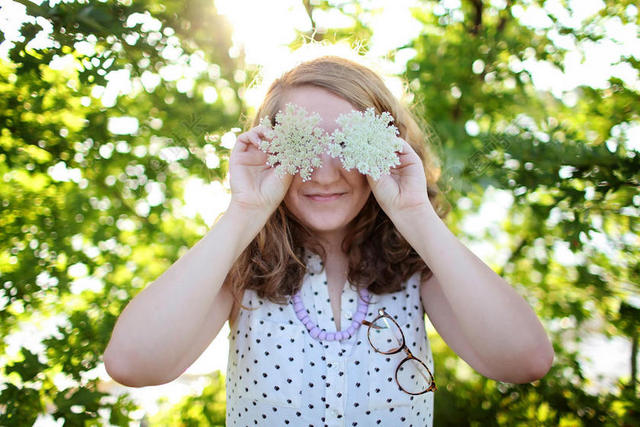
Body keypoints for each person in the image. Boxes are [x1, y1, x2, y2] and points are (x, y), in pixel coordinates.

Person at [103, 54, 554, 426]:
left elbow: (525, 360)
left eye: (348, 144)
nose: (322, 174)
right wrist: (244, 212)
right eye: (301, 143)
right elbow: (133, 365)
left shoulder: (417, 268)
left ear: (390, 147)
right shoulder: (245, 267)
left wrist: (415, 214)